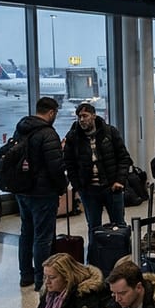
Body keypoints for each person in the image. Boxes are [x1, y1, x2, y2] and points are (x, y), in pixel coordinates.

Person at [63, 103, 132, 263]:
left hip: (112, 188)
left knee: (119, 225)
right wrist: (78, 186)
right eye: (79, 116)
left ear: (94, 116)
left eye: (85, 116)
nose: (82, 120)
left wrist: (119, 181)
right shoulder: (74, 137)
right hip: (89, 191)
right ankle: (95, 262)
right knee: (93, 227)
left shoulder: (110, 132)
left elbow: (124, 158)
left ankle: (123, 259)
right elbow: (69, 163)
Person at [11, 97, 68, 291]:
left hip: (22, 190)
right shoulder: (47, 133)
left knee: (26, 233)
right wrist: (62, 187)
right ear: (51, 112)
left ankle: (25, 275)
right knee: (43, 237)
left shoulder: (20, 129)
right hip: (43, 193)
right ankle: (42, 280)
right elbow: (55, 167)